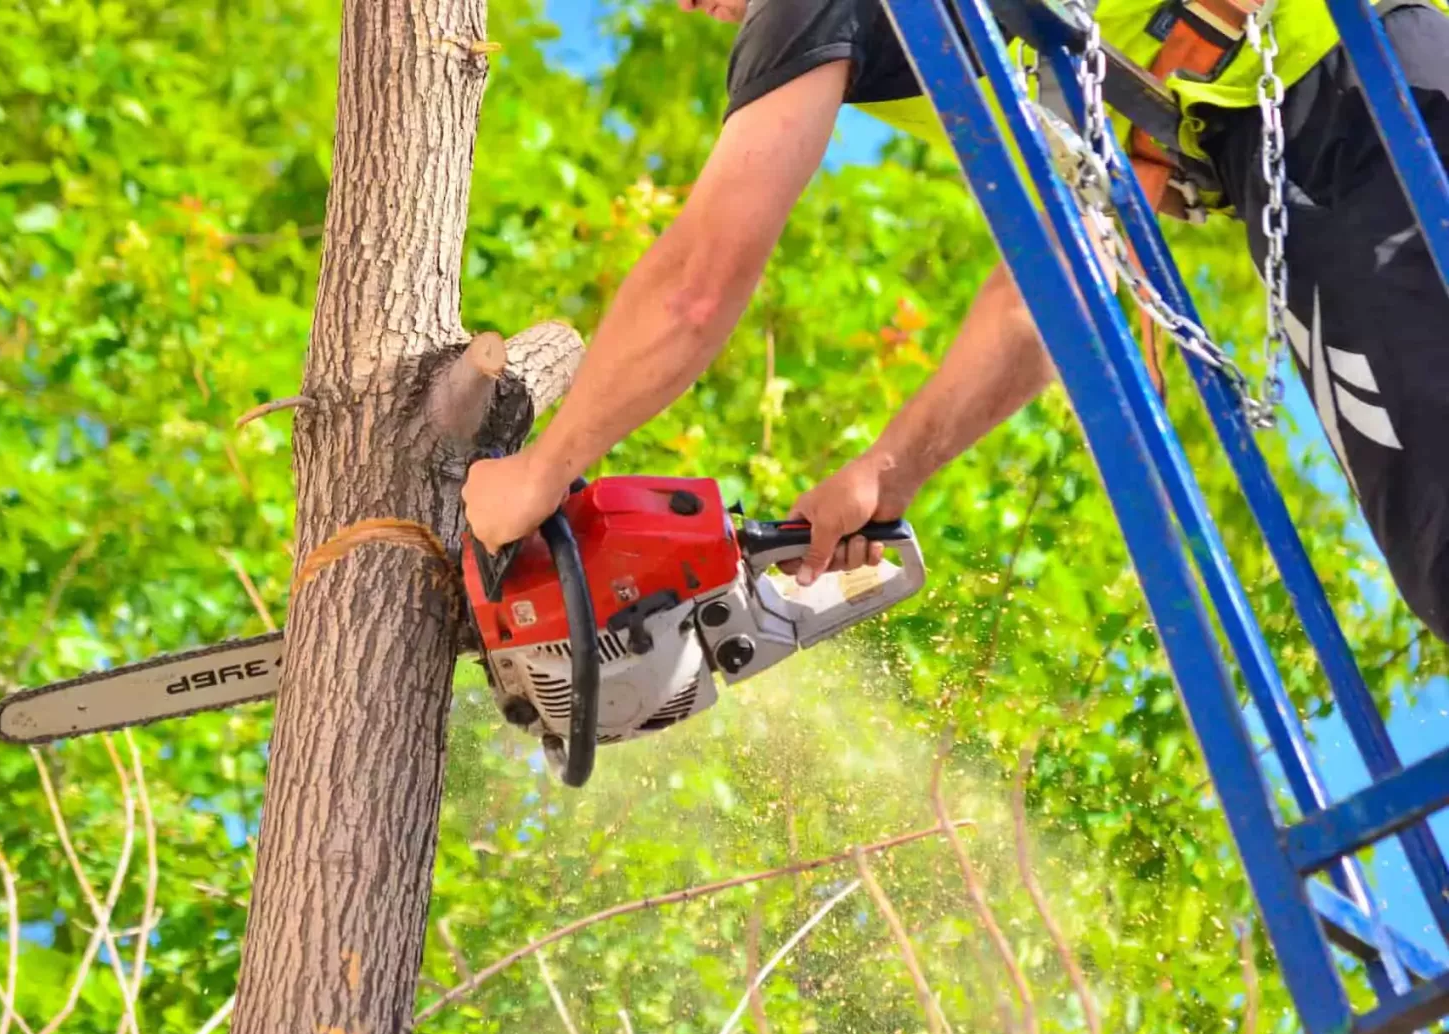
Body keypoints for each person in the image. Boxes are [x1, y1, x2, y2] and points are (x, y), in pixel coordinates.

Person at [461, 0, 1449, 645]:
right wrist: (886, 472)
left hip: (1364, 115)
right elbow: (1045, 286)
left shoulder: (812, 14)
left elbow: (694, 288)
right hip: (1341, 114)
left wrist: (535, 476)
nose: (683, 7)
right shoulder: (1003, 40)